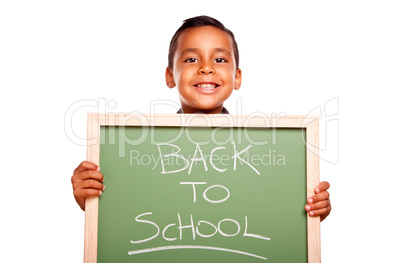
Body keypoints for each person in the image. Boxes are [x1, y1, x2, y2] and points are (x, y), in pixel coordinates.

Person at [71, 15, 331, 221]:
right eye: (191, 58)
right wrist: (93, 201)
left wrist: (312, 209)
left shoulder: (267, 150)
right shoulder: (136, 149)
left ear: (237, 77)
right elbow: (130, 213)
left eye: (219, 59)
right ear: (170, 76)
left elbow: (275, 211)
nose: (206, 68)